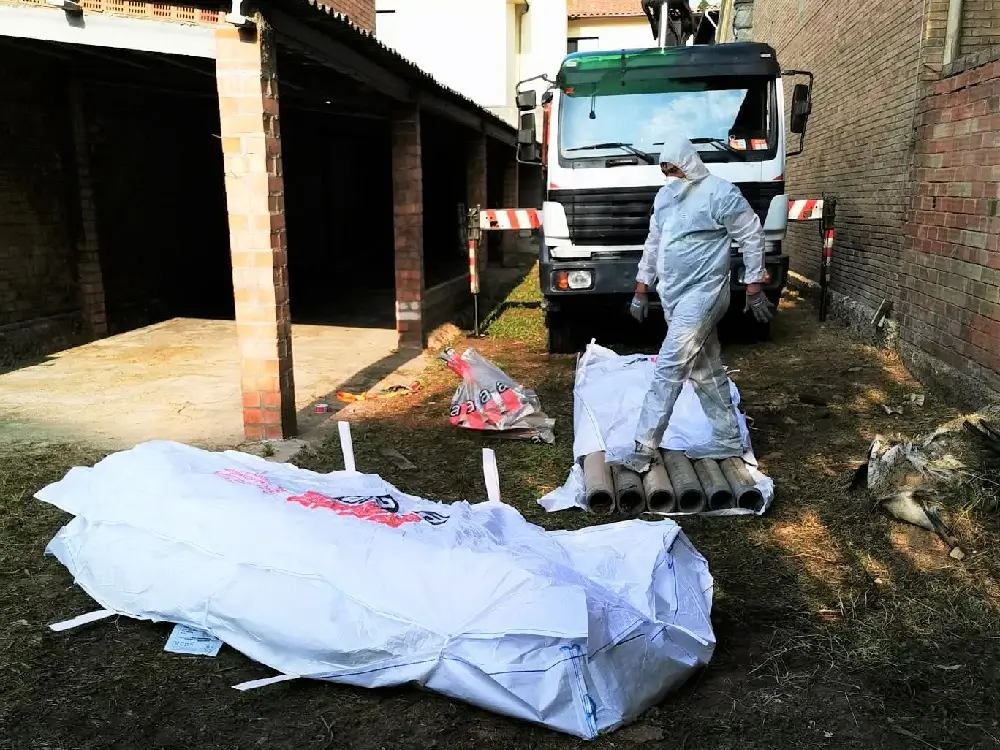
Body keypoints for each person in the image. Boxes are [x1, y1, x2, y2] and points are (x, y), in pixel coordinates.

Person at [619, 134, 775, 472]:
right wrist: (641, 287)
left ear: (689, 164)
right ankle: (728, 438)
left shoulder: (721, 193)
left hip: (705, 293)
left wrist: (753, 285)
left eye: (674, 169)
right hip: (673, 294)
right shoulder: (664, 198)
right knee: (705, 368)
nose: (670, 177)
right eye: (665, 171)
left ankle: (643, 447)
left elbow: (751, 234)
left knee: (669, 367)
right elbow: (654, 242)